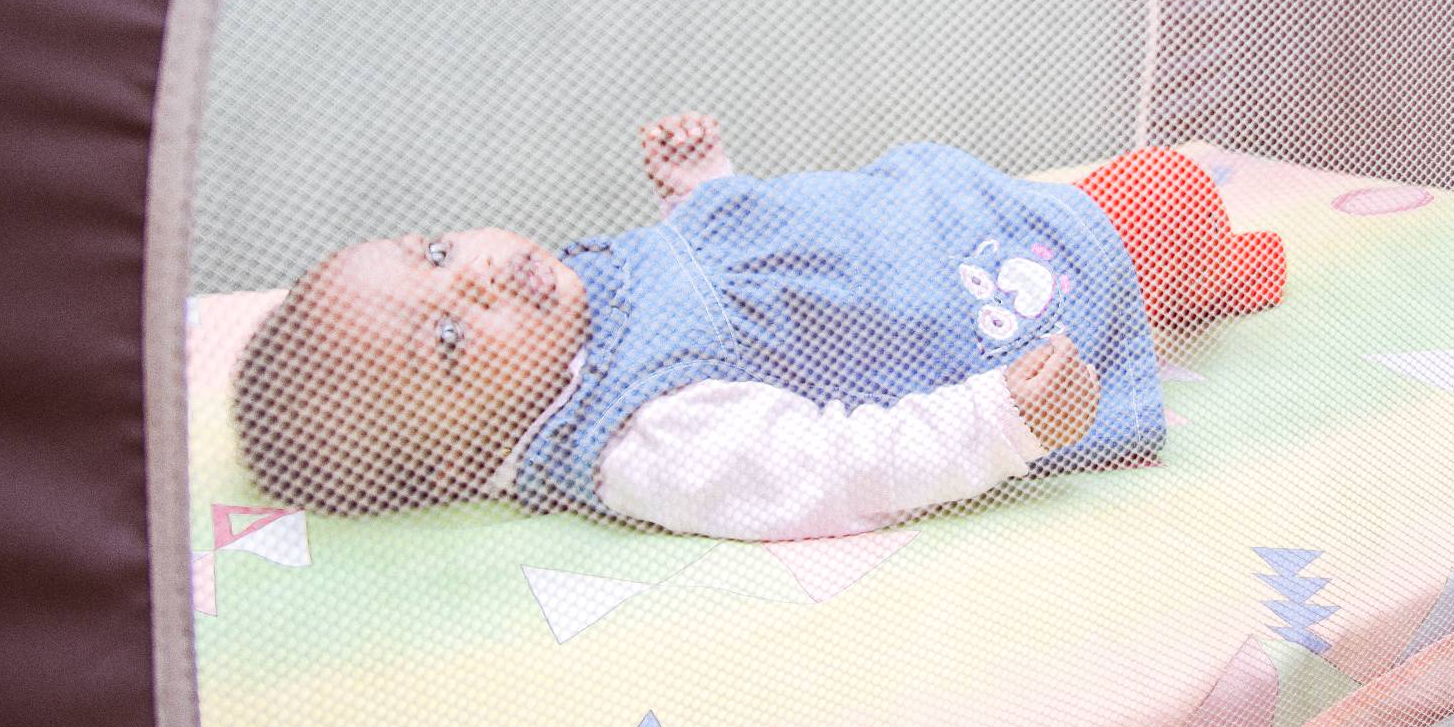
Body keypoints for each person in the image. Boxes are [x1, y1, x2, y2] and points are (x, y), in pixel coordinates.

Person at [235, 114, 1285, 539]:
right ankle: (1205, 275)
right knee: (1155, 198)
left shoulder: (578, 313)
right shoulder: (645, 436)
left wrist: (704, 193)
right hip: (962, 311)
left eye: (433, 251)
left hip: (925, 227)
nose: (474, 279)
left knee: (1070, 205)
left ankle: (1186, 269)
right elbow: (828, 471)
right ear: (463, 459)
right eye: (449, 344)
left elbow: (730, 280)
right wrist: (997, 420)